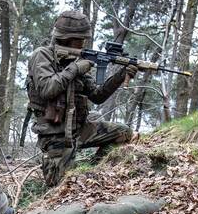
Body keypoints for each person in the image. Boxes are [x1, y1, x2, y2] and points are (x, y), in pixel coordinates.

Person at [26, 10, 139, 187]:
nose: (83, 43)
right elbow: (47, 89)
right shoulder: (42, 56)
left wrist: (121, 75)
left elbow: (97, 95)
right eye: (80, 40)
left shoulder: (77, 59)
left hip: (80, 130)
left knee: (123, 132)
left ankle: (91, 172)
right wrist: (75, 69)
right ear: (66, 38)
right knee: (61, 187)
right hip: (56, 135)